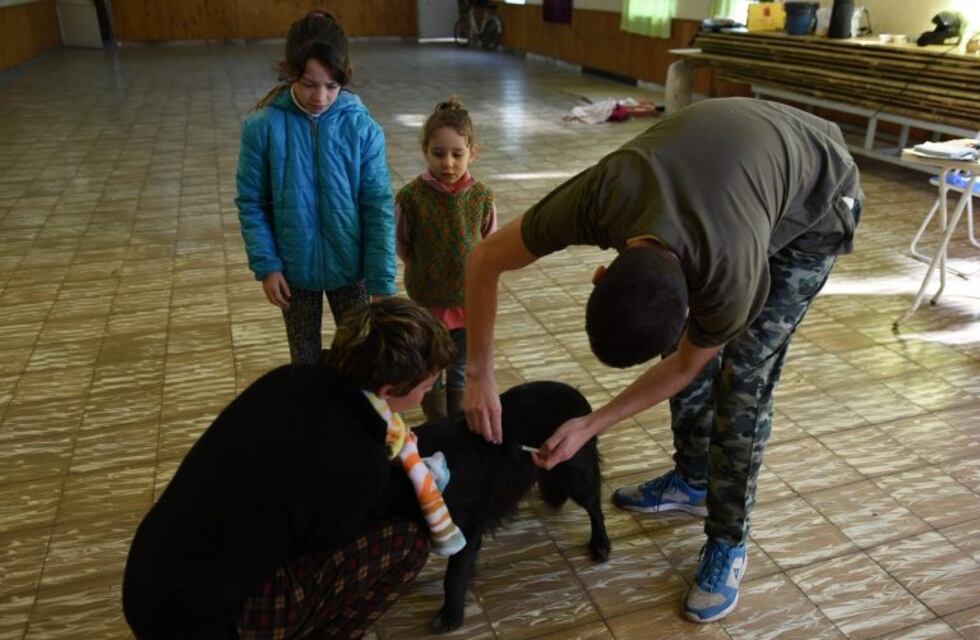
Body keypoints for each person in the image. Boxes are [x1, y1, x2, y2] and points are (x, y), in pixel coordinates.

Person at [463, 98, 862, 624]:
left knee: (743, 384)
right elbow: (485, 258)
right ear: (604, 271)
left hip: (818, 195)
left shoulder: (730, 277)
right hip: (737, 162)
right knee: (673, 339)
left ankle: (728, 541)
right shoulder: (602, 195)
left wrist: (591, 424)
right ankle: (694, 478)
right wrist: (479, 373)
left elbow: (683, 367)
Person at [122, 297, 457, 640]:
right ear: (388, 390)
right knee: (410, 542)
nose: (430, 390)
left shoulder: (287, 380)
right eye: (428, 385)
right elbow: (325, 543)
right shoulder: (361, 458)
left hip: (147, 585)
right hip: (203, 623)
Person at [236, 10, 396, 365]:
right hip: (293, 272)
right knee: (304, 363)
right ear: (291, 70)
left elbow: (378, 205)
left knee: (357, 360)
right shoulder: (261, 128)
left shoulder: (363, 128)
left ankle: (352, 421)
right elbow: (252, 202)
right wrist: (268, 265)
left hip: (351, 270)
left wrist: (382, 281)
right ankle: (311, 420)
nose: (320, 96)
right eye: (309, 84)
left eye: (331, 85)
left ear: (345, 77)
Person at [396, 97, 497, 420]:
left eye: (458, 154)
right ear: (425, 151)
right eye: (438, 154)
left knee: (460, 368)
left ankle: (456, 424)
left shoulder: (482, 196)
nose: (448, 163)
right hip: (427, 301)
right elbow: (401, 242)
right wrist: (424, 268)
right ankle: (437, 424)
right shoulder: (411, 197)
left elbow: (492, 246)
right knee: (430, 368)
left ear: (472, 153)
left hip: (468, 302)